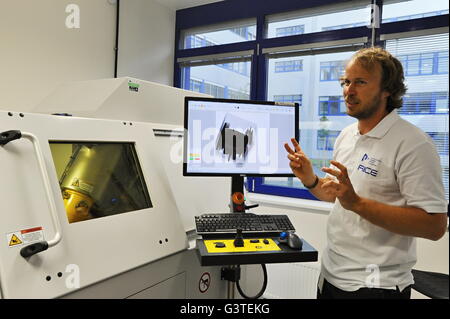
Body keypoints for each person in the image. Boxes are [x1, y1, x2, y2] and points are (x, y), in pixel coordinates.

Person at [284, 47, 447, 299]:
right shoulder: (347, 135)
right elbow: (335, 196)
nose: (349, 90)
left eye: (360, 82)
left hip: (375, 286)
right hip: (331, 275)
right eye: (346, 82)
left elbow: (435, 226)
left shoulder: (414, 143)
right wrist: (310, 179)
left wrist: (357, 203)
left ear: (388, 90)